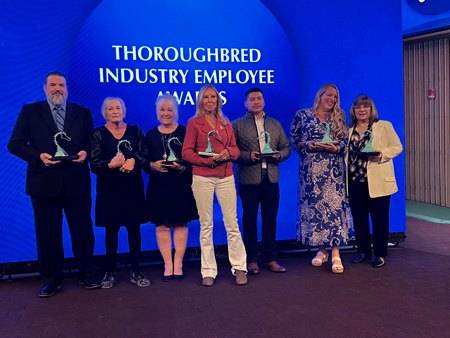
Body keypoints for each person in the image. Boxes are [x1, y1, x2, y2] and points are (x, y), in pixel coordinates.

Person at [7, 71, 101, 297]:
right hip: (43, 182)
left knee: (82, 230)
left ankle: (87, 273)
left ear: (67, 88)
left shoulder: (82, 112)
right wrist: (38, 156)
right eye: (53, 85)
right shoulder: (30, 112)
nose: (58, 88)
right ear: (45, 88)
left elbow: (92, 142)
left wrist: (85, 153)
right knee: (47, 233)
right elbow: (15, 144)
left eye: (61, 85)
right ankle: (52, 278)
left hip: (76, 181)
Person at [182, 84, 248, 286]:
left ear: (218, 100)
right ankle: (208, 270)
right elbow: (186, 153)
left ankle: (239, 267)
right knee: (206, 225)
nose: (210, 100)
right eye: (206, 97)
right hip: (203, 176)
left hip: (226, 176)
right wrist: (209, 161)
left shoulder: (225, 123)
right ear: (200, 101)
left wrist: (230, 153)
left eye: (213, 97)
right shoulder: (194, 123)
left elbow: (235, 149)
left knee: (232, 224)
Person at [290, 83, 353, 274]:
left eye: (335, 97)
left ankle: (336, 252)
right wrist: (306, 144)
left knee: (334, 209)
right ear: (320, 95)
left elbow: (345, 143)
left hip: (333, 172)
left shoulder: (339, 116)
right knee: (315, 210)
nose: (332, 99)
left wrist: (337, 148)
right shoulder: (303, 115)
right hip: (310, 173)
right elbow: (294, 140)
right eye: (329, 95)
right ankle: (321, 250)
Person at [90, 97, 150, 288]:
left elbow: (145, 154)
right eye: (110, 108)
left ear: (124, 111)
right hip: (110, 190)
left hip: (132, 189)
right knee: (111, 231)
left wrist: (134, 160)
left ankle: (136, 269)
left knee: (134, 229)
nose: (115, 111)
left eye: (118, 108)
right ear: (104, 113)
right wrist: (110, 165)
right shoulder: (98, 134)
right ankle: (109, 271)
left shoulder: (136, 131)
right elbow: (94, 163)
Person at [232, 88, 290, 275]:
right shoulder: (237, 125)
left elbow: (286, 148)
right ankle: (252, 260)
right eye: (252, 99)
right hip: (249, 180)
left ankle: (270, 259)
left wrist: (278, 155)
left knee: (270, 219)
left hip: (271, 179)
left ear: (264, 101)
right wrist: (249, 155)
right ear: (245, 103)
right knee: (249, 220)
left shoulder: (274, 124)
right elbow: (231, 152)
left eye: (259, 98)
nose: (256, 102)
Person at [144, 94, 198, 281]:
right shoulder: (150, 134)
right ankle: (168, 264)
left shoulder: (185, 131)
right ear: (157, 111)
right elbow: (142, 159)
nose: (166, 113)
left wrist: (182, 166)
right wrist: (152, 165)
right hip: (158, 186)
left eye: (170, 109)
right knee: (162, 225)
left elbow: (194, 157)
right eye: (162, 109)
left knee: (181, 223)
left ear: (176, 111)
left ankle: (179, 263)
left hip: (180, 185)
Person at [347, 94, 402, 268]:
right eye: (358, 107)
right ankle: (363, 251)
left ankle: (379, 254)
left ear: (371, 109)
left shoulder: (383, 126)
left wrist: (382, 154)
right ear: (353, 111)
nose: (361, 110)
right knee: (359, 220)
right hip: (355, 182)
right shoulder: (348, 130)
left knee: (380, 220)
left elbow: (397, 147)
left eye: (365, 107)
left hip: (378, 183)